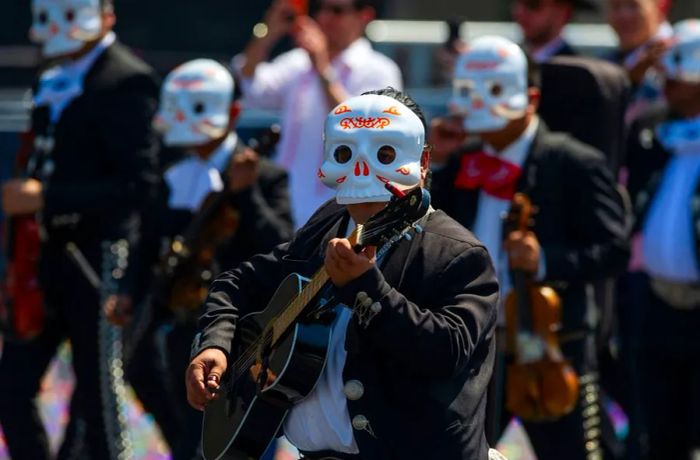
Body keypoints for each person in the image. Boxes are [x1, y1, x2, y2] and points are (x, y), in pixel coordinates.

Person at [185, 87, 505, 460]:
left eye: (386, 153)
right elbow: (238, 283)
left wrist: (367, 289)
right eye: (344, 152)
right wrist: (215, 344)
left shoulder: (458, 254)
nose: (362, 168)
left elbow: (447, 352)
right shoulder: (327, 225)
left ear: (422, 162)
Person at [432, 36, 629, 460]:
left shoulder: (572, 161)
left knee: (574, 451)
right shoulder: (461, 161)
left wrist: (546, 260)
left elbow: (614, 249)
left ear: (531, 98)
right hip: (475, 341)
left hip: (548, 344)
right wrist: (435, 167)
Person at [109, 58, 293, 459]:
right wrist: (128, 291)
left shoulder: (264, 175)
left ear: (234, 113)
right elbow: (147, 243)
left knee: (220, 426)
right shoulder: (172, 175)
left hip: (236, 326)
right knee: (145, 374)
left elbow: (280, 246)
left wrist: (245, 195)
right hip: (175, 318)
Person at [0, 0, 159, 458]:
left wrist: (48, 198)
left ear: (106, 14)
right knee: (12, 387)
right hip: (40, 260)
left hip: (99, 257)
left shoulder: (127, 79)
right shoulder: (51, 80)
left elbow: (138, 185)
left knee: (98, 394)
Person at [233, 0, 402, 228]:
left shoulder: (380, 69)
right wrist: (269, 31)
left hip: (338, 212)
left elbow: (364, 129)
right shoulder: (298, 62)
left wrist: (322, 68)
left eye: (337, 11)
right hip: (283, 203)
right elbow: (248, 84)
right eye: (320, 9)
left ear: (364, 16)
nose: (324, 18)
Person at [624, 19, 700, 460]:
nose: (666, 78)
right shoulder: (657, 132)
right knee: (659, 432)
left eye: (679, 67)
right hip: (656, 307)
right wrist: (632, 78)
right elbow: (610, 139)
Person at [607, 0, 673, 124]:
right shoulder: (608, 61)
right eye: (615, 6)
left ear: (661, 6)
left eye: (633, 5)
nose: (623, 15)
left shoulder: (681, 59)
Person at [512, 0, 595, 63]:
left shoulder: (576, 73)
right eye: (517, 3)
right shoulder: (510, 61)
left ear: (564, 12)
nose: (519, 12)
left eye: (533, 5)